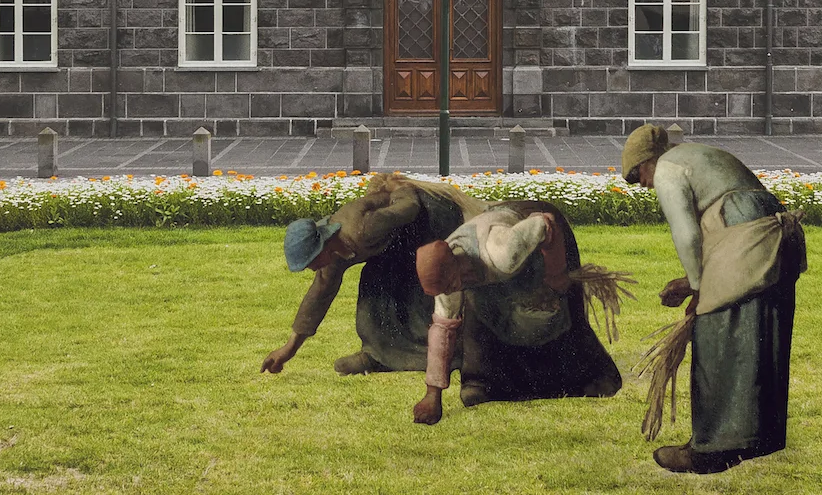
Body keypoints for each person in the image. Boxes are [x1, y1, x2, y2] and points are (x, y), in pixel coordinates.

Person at [622, 124, 805, 475]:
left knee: (714, 334)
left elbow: (687, 235)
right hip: (769, 231)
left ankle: (709, 450)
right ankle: (757, 438)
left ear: (648, 162)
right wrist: (692, 284)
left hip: (743, 231)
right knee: (757, 332)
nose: (643, 184)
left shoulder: (667, 169)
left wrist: (697, 288)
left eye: (637, 175)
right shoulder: (696, 155)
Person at [409, 198, 628, 425]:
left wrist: (556, 276)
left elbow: (545, 223)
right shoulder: (448, 279)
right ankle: (483, 383)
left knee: (560, 310)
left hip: (536, 230)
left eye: (449, 286)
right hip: (502, 250)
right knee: (485, 315)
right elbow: (443, 329)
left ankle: (594, 377)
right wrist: (433, 394)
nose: (447, 292)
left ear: (455, 266)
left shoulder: (501, 252)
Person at [262, 171, 480, 380]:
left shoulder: (363, 229)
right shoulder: (334, 254)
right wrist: (289, 349)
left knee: (422, 287)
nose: (311, 268)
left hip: (432, 216)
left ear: (322, 247)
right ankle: (377, 355)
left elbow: (409, 208)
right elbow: (319, 295)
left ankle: (452, 354)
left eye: (311, 262)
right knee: (373, 286)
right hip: (401, 239)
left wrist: (399, 188)